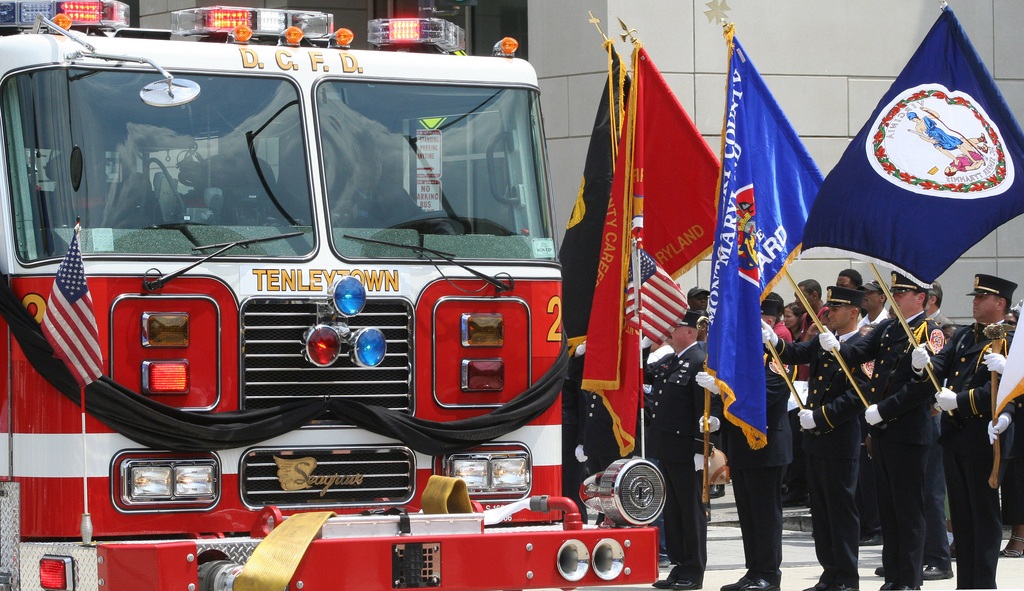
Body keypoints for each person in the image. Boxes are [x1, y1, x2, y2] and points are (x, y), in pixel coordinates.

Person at [817, 271, 945, 591]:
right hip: (883, 431)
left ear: (922, 298)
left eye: (903, 292)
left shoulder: (930, 332)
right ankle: (893, 577)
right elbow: (858, 354)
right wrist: (836, 345)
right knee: (888, 510)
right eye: (895, 292)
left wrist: (883, 409)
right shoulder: (888, 328)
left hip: (909, 432)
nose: (896, 297)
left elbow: (923, 387)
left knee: (909, 511)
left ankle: (909, 581)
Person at [919, 273, 1017, 589]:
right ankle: (967, 583)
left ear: (1000, 303)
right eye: (974, 298)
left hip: (986, 437)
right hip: (956, 437)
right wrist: (923, 364)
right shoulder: (963, 336)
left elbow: (1007, 391)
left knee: (984, 514)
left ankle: (984, 582)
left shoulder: (1011, 342)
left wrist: (959, 401)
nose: (974, 303)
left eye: (981, 298)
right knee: (961, 514)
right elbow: (942, 365)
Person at [768, 285, 866, 591]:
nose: (829, 313)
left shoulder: (863, 346)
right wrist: (773, 341)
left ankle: (847, 576)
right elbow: (797, 353)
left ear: (853, 312)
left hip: (839, 438)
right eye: (830, 308)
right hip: (815, 440)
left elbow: (859, 393)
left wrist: (821, 416)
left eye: (836, 309)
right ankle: (829, 573)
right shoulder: (826, 341)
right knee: (821, 512)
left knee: (840, 511)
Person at [698, 296, 793, 591]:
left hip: (767, 447)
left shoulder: (776, 358)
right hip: (740, 447)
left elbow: (763, 398)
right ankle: (753, 571)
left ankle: (769, 574)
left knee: (765, 515)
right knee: (748, 516)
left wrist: (724, 391)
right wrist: (716, 416)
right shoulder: (742, 357)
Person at [648, 310, 709, 591]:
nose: (670, 332)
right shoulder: (676, 359)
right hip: (669, 447)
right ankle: (679, 566)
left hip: (686, 449)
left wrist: (701, 447)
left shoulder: (699, 360)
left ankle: (693, 570)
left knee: (690, 509)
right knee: (674, 510)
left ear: (690, 332)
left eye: (675, 327)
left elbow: (704, 409)